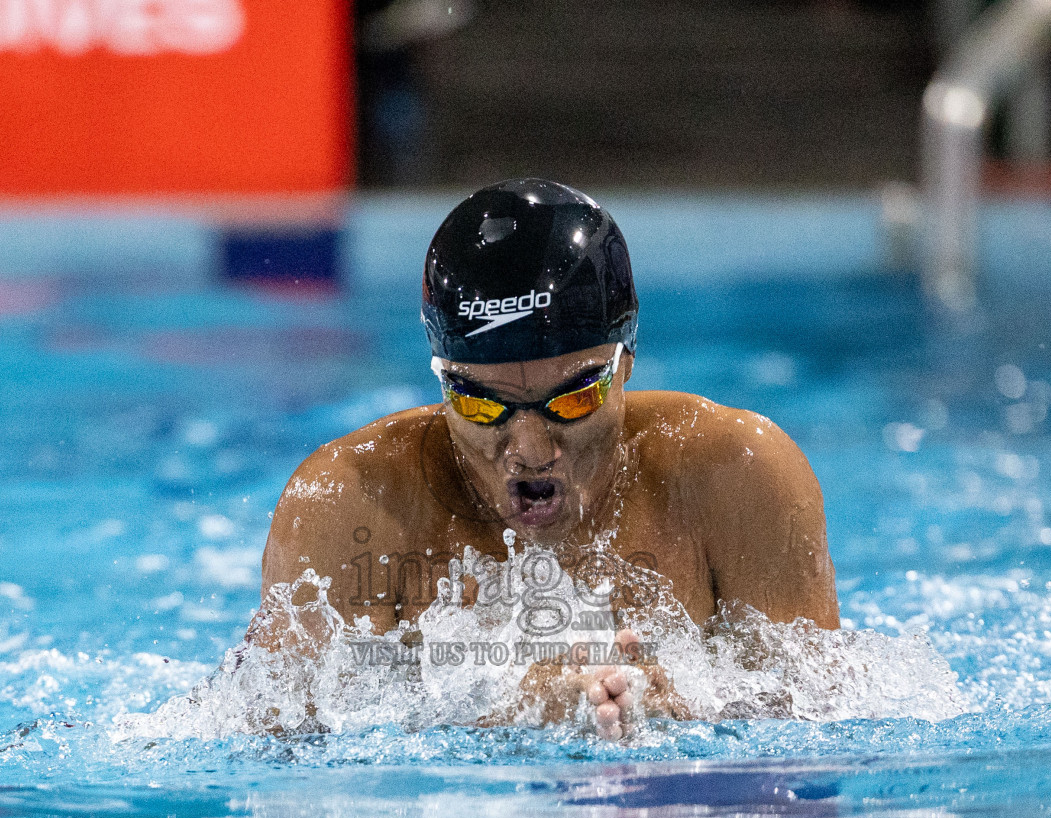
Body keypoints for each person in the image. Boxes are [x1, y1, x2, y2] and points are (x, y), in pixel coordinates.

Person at [254, 178, 838, 738]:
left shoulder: (739, 474)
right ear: (441, 383)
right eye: (482, 405)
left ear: (626, 362)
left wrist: (688, 707)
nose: (531, 451)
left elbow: (823, 722)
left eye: (575, 398)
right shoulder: (346, 504)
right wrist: (512, 708)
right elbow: (273, 743)